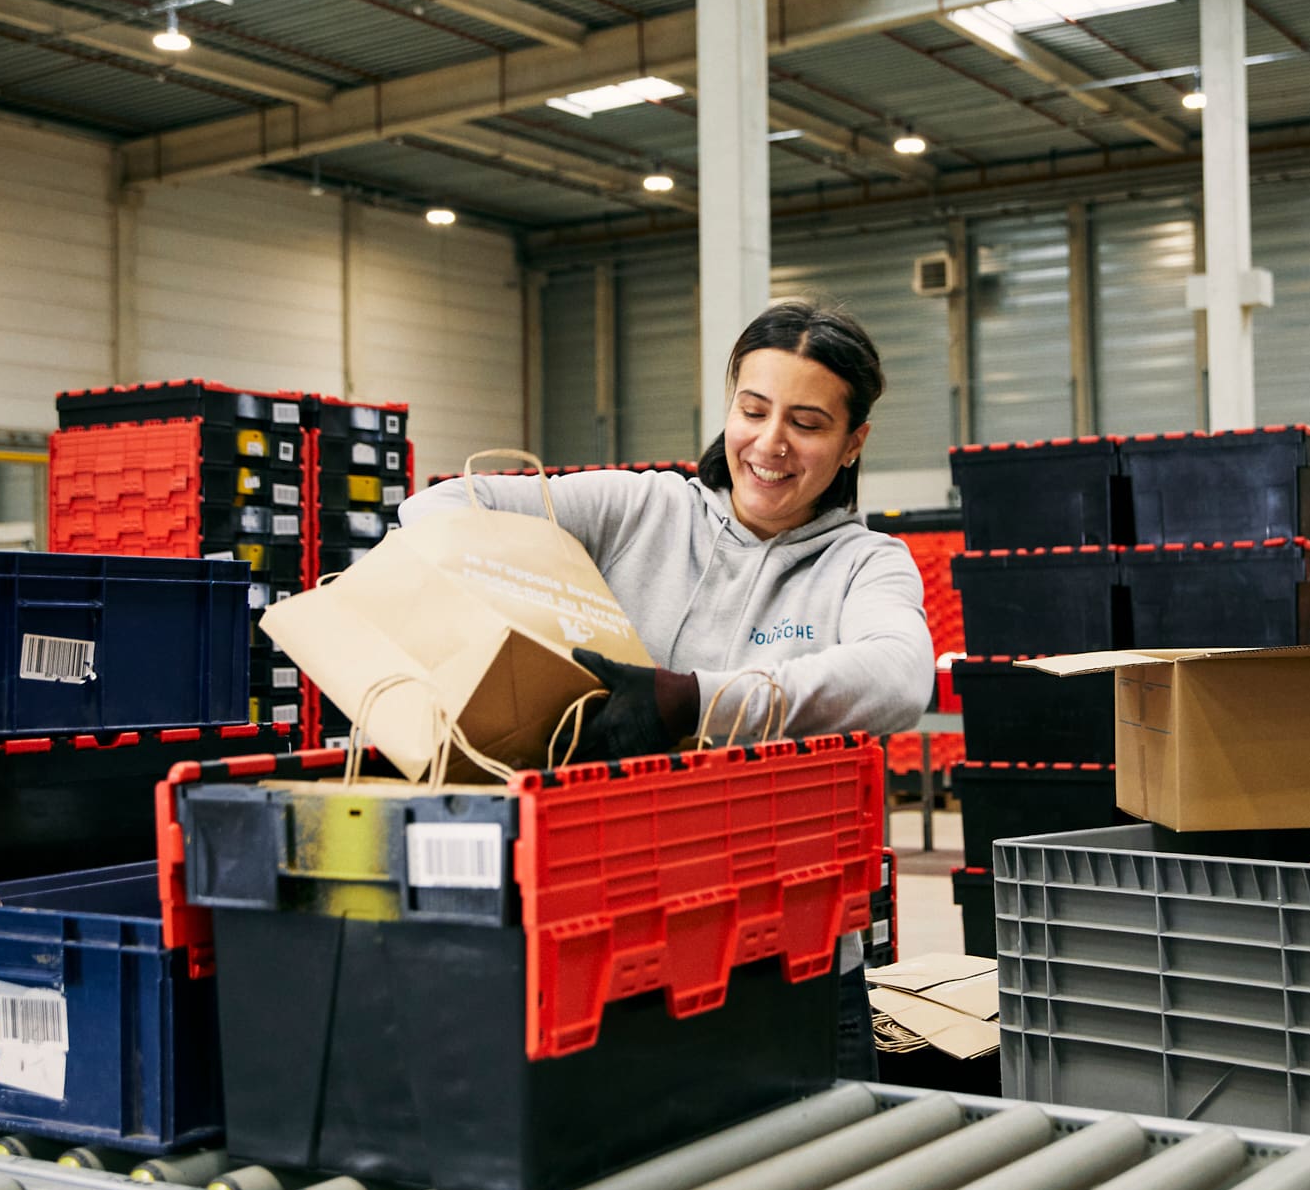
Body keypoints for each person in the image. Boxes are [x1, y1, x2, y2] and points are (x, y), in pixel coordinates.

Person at [399, 297, 934, 1079]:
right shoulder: (640, 508)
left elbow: (897, 676)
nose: (770, 443)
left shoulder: (864, 564)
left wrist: (694, 699)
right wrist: (538, 636)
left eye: (808, 423)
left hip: (794, 966)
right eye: (753, 410)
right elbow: (436, 510)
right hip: (623, 956)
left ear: (854, 443)